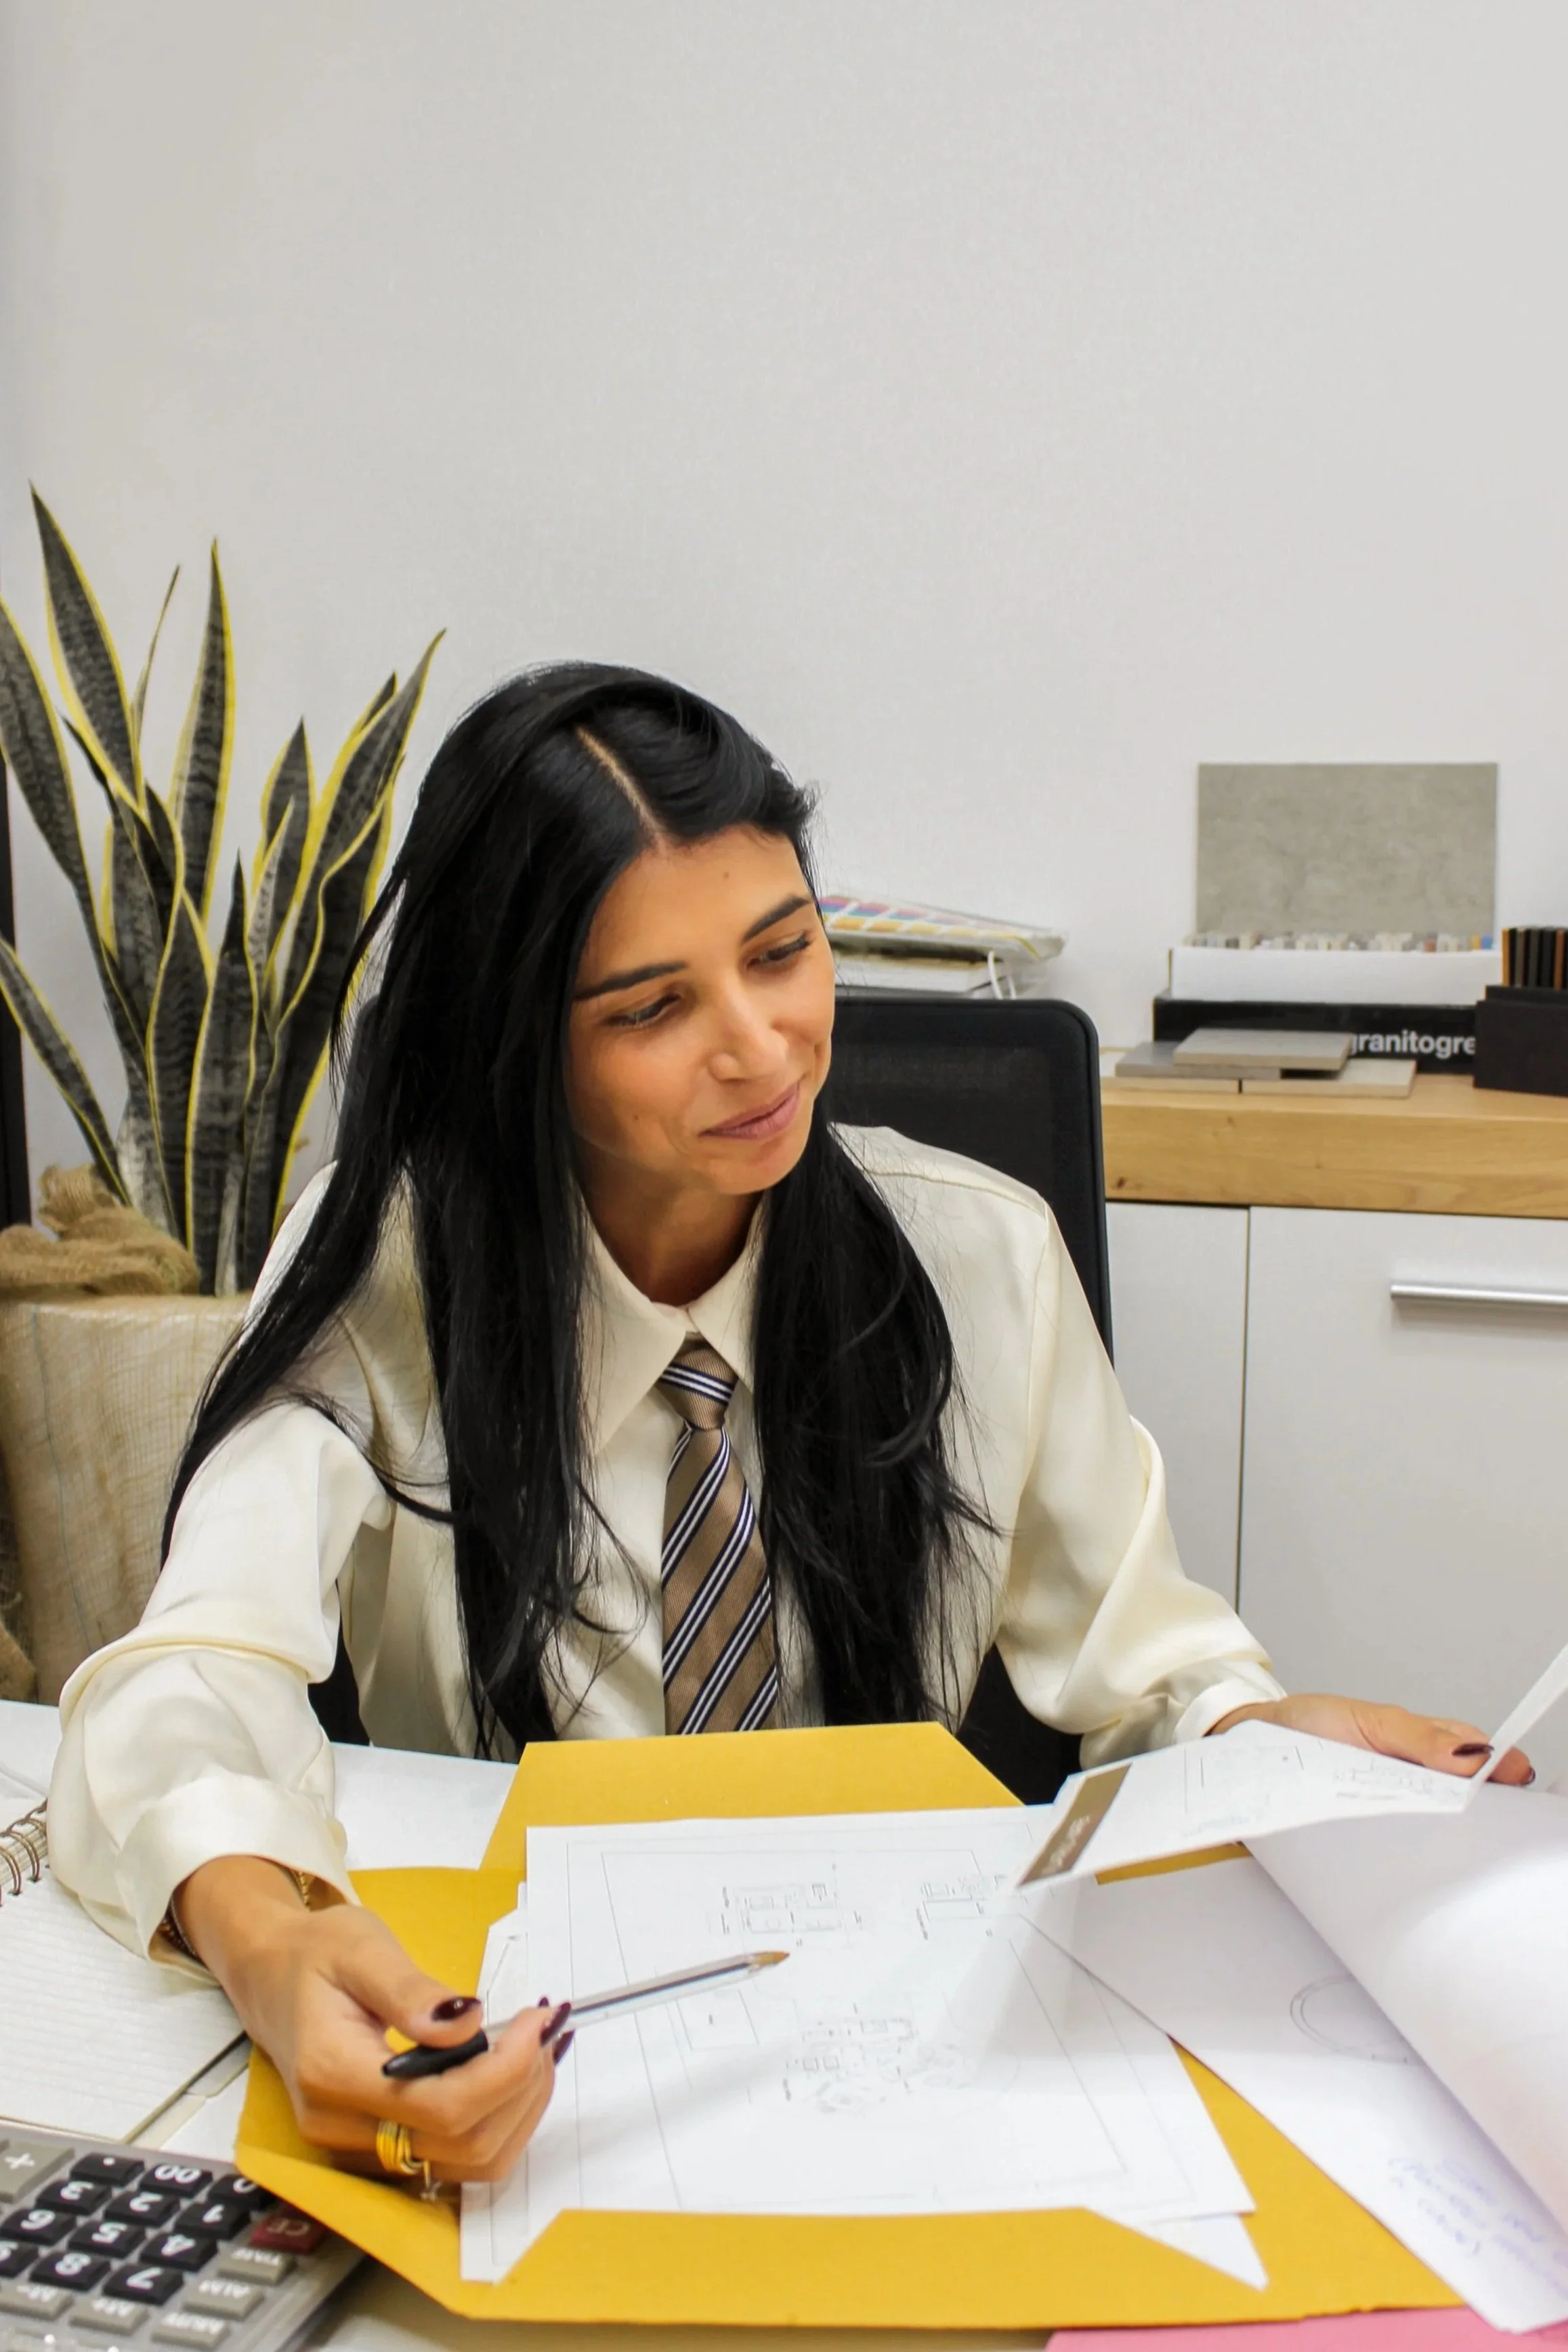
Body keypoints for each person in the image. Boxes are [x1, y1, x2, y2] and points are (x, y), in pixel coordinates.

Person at [48, 663, 1530, 2187]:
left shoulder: (977, 1258)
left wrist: (1256, 1737)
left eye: (783, 952)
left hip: (911, 2042)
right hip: (532, 2055)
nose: (760, 1048)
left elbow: (1149, 1671)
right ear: (518, 1039)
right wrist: (264, 1934)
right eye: (651, 1006)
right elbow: (189, 1674)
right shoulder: (386, 1278)